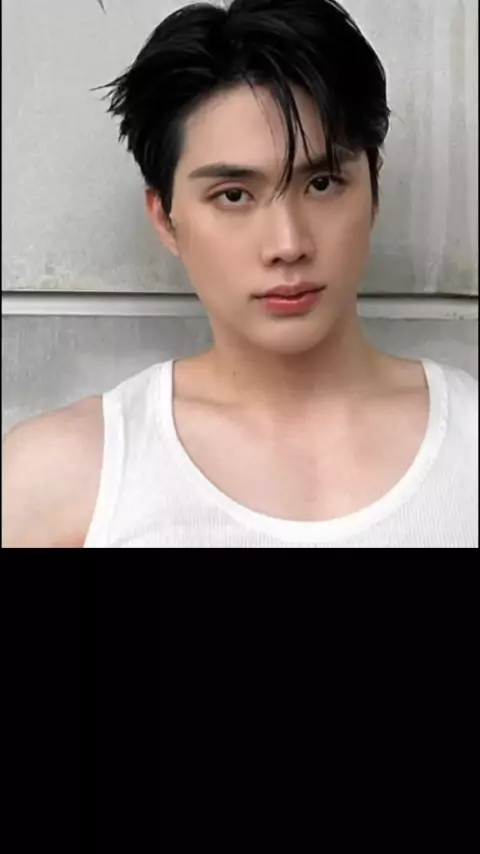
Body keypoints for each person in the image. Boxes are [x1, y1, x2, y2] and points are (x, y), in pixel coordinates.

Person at [2, 0, 477, 548]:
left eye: (322, 184)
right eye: (233, 195)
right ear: (165, 218)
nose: (288, 244)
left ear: (373, 188)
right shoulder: (65, 477)